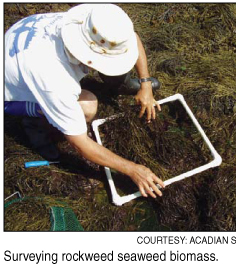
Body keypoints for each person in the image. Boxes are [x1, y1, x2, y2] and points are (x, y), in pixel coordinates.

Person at [4, 4, 165, 198]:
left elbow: (132, 38)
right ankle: (35, 125)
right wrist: (133, 170)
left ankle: (118, 85)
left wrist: (145, 85)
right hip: (13, 96)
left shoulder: (86, 23)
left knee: (107, 69)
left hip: (20, 52)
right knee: (88, 105)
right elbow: (80, 143)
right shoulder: (55, 81)